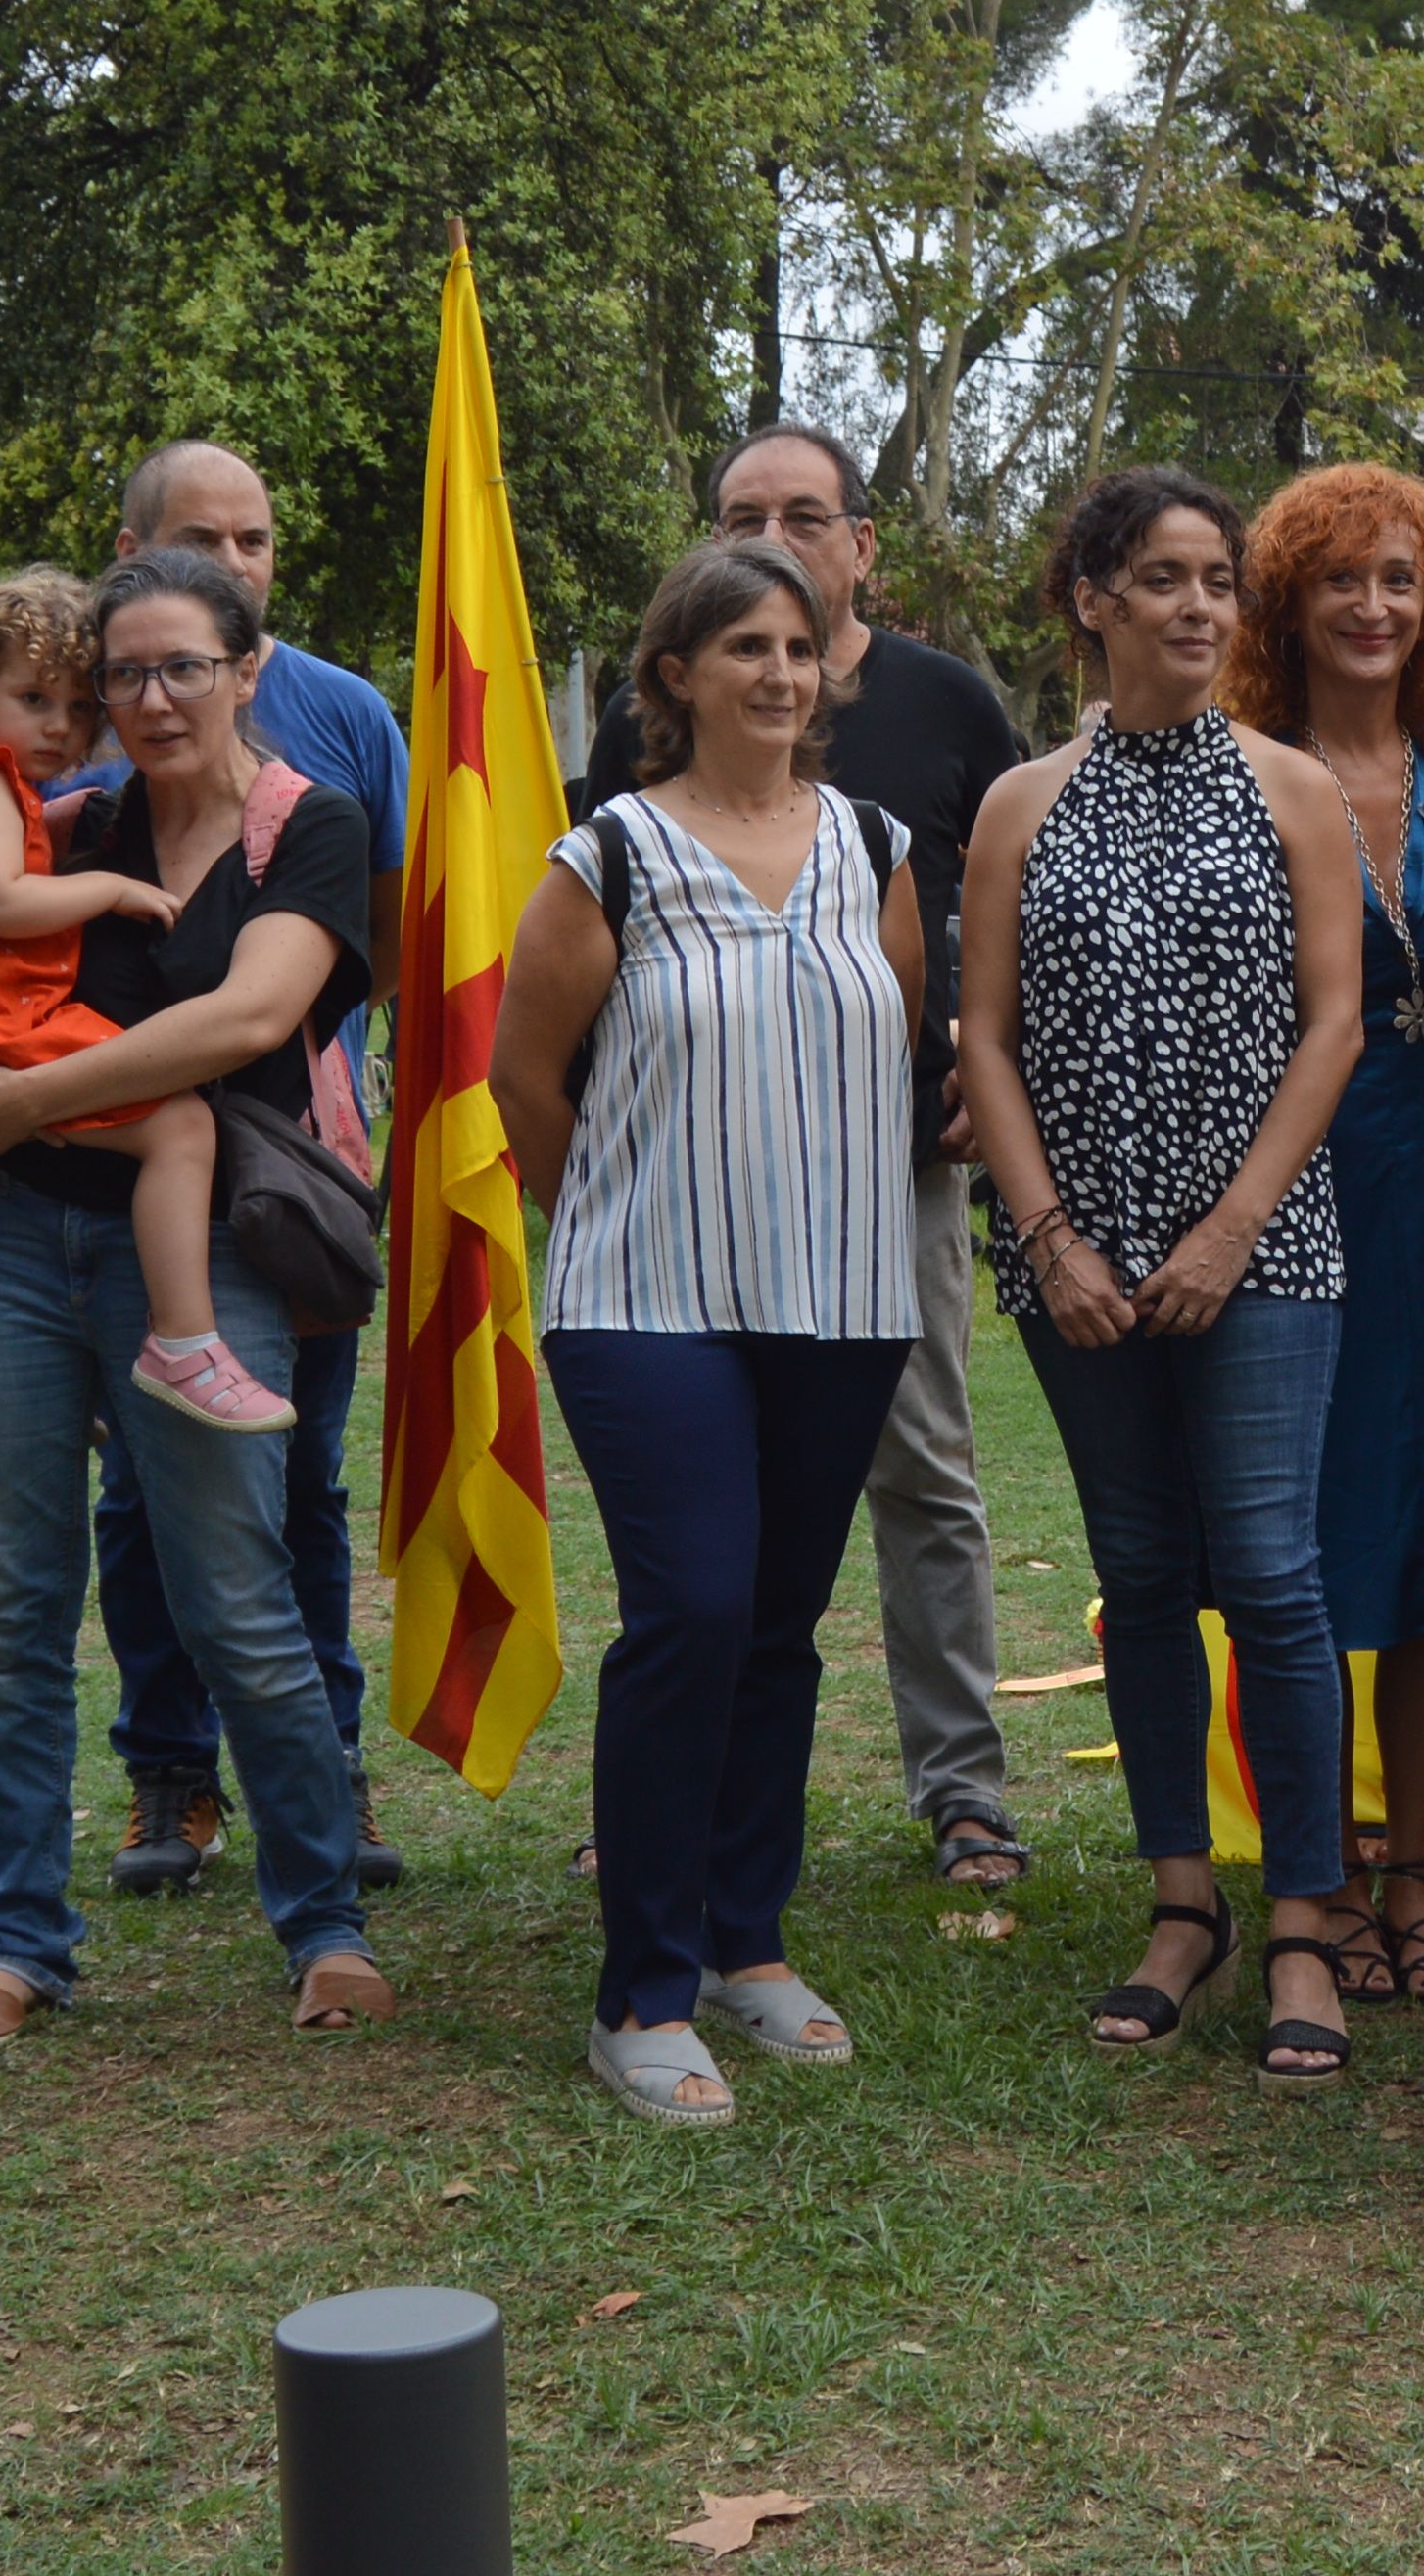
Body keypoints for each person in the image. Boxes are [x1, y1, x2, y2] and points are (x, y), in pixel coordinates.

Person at [0, 553, 387, 2048]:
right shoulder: (58, 825)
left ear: (249, 665)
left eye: (184, 667)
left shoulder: (311, 825)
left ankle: (323, 1922)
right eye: (123, 674)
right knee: (17, 1608)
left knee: (238, 1598)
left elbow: (244, 1017)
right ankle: (18, 1945)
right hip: (7, 1242)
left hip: (198, 1248)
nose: (151, 699)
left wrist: (17, 1093)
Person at [492, 541, 927, 2125]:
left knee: (776, 1636)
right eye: (742, 644)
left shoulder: (871, 846)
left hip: (839, 1294)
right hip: (646, 1302)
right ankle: (643, 1988)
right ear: (673, 675)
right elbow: (526, 1086)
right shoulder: (603, 857)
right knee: (690, 1612)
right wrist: (617, 1213)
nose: (778, 673)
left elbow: (891, 1060)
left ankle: (748, 1941)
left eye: (797, 646)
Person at [957, 466, 1376, 2084]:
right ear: (1093, 602)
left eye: (1218, 580)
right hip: (1077, 1256)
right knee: (1138, 1573)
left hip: (1261, 1248)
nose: (1200, 606)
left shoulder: (1291, 790)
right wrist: (1052, 1237)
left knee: (1270, 1578)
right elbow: (982, 1034)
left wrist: (1226, 1232)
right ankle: (1182, 1900)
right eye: (1163, 579)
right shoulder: (1020, 803)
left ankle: (1305, 1922)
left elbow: (1334, 1024)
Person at [574, 424, 1033, 1889]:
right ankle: (664, 1794)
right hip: (679, 1213)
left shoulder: (952, 707)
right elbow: (577, 995)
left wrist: (978, 1060)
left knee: (924, 1477)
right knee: (696, 1549)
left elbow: (1001, 915)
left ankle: (960, 1786)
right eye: (740, 516)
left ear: (862, 545)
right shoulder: (639, 766)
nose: (774, 535)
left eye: (804, 516)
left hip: (883, 1183)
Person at [82, 444, 411, 1901]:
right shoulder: (78, 722)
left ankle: (324, 1767)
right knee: (142, 1501)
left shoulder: (344, 718)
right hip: (96, 1174)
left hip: (292, 1173)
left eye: (257, 539)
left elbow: (395, 931)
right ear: (131, 552)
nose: (238, 559)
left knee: (301, 1486)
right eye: (203, 535)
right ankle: (171, 1776)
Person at [1224, 461, 1424, 2006]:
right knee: (1302, 1545)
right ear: (1287, 601)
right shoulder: (1238, 779)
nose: (1374, 606)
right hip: (1298, 1182)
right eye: (1342, 578)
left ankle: (1417, 1871)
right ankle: (1311, 1875)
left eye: (1401, 578)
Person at [0, 569, 279, 1435]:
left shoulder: (11, 790)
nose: (57, 725)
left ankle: (109, 1364)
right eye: (30, 698)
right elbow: (1, 903)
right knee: (179, 1127)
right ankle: (184, 1340)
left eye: (72, 705)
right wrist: (112, 891)